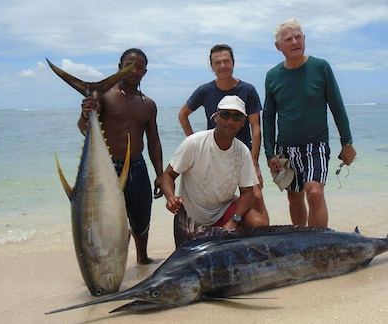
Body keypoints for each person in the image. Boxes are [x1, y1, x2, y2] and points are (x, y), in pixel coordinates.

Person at [263, 19, 357, 229]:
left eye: (299, 37)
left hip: (316, 145)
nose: (295, 41)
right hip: (285, 148)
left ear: (304, 40)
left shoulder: (320, 67)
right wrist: (269, 153)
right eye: (289, 39)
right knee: (294, 198)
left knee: (314, 192)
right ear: (279, 46)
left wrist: (347, 141)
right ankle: (302, 242)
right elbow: (268, 117)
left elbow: (337, 105)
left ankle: (320, 245)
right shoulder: (272, 76)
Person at [79, 48, 163, 264]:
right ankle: (114, 262)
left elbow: (153, 141)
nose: (134, 70)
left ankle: (142, 258)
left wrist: (160, 175)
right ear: (119, 67)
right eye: (129, 65)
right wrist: (85, 113)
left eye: (140, 67)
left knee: (142, 216)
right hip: (107, 168)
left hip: (137, 165)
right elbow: (83, 128)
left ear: (145, 72)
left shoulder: (148, 104)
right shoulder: (105, 97)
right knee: (110, 220)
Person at [178, 44, 269, 223]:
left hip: (242, 156)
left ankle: (264, 238)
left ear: (233, 63)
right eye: (217, 62)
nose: (222, 66)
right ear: (211, 66)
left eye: (226, 61)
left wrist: (255, 163)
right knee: (213, 200)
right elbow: (183, 114)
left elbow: (256, 129)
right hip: (214, 156)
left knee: (256, 196)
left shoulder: (248, 90)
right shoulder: (205, 91)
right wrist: (194, 143)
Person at [163, 95, 269, 247]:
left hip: (224, 213)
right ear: (216, 117)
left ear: (242, 123)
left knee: (258, 224)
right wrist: (170, 197)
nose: (230, 121)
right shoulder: (193, 143)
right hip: (191, 218)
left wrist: (234, 221)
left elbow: (248, 193)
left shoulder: (242, 151)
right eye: (225, 114)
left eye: (236, 116)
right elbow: (167, 175)